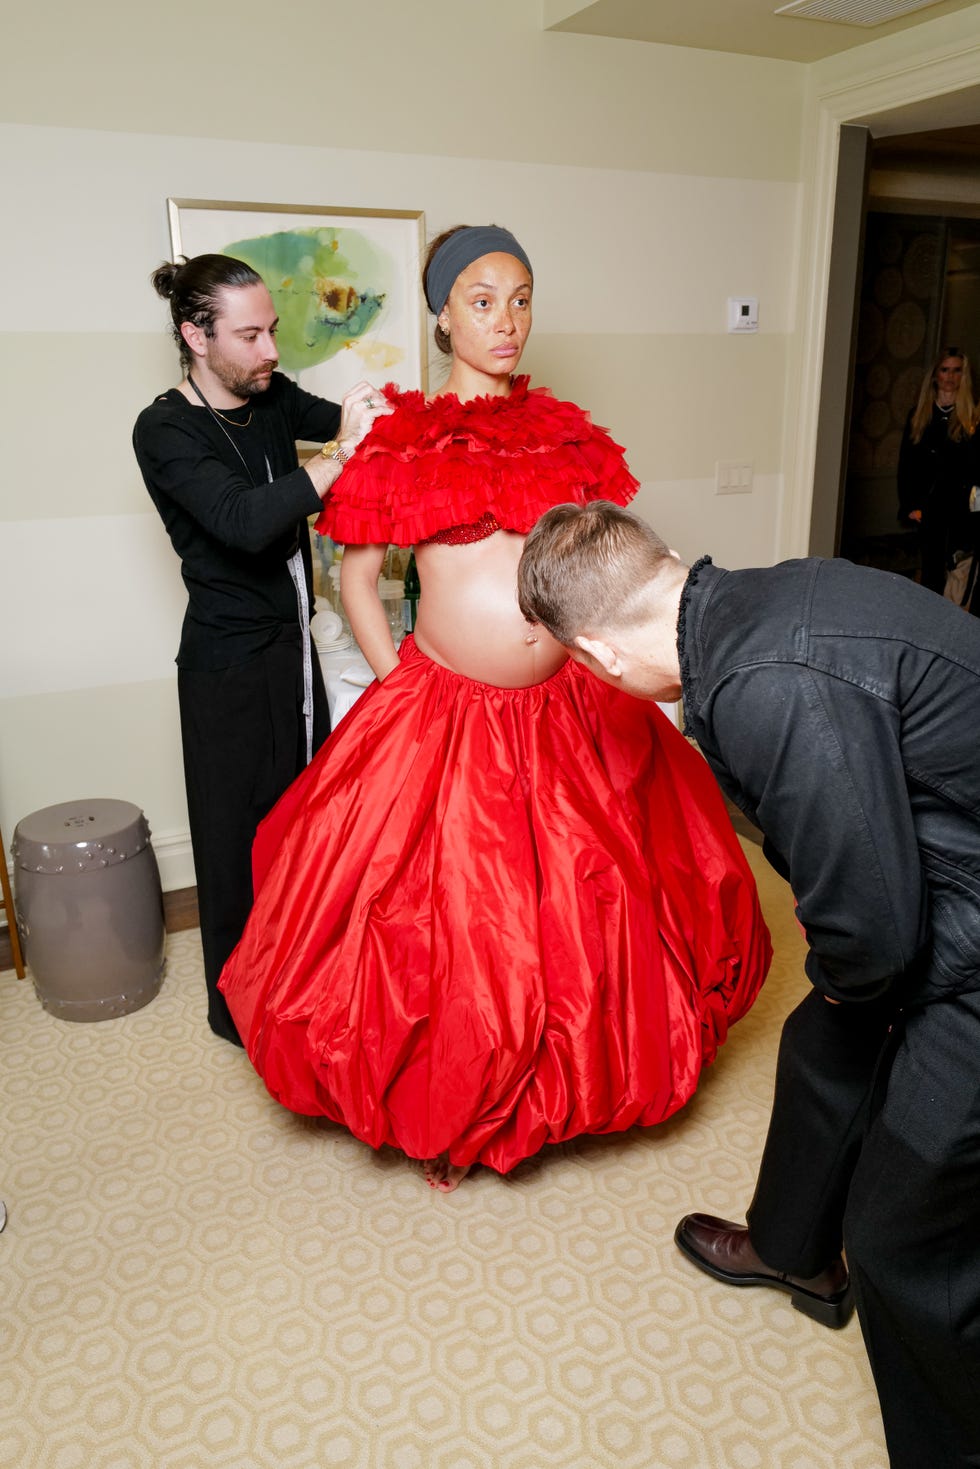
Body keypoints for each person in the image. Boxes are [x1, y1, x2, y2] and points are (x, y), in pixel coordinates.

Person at [218, 225, 771, 1190]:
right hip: (444, 704)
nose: (507, 321)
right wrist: (397, 681)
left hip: (566, 703)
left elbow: (601, 565)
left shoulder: (569, 437)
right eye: (482, 300)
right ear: (442, 313)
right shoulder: (399, 438)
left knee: (590, 907)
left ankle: (566, 1084)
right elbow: (355, 582)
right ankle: (459, 1090)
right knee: (448, 922)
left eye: (520, 298)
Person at [516, 499, 980, 1469]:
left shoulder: (770, 681)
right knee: (823, 1038)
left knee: (899, 1244)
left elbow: (879, 934)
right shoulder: (747, 603)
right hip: (949, 845)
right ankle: (793, 1249)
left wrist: (853, 977)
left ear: (595, 654)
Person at [133, 253, 387, 1044]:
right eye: (251, 335)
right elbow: (244, 520)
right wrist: (344, 453)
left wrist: (395, 415)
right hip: (226, 666)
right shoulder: (165, 429)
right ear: (196, 335)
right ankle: (236, 1013)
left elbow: (352, 425)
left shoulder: (269, 397)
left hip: (291, 651)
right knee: (234, 839)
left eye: (272, 330)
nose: (273, 350)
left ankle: (295, 984)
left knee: (300, 824)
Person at [897, 345, 975, 594]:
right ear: (935, 374)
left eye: (957, 371)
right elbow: (907, 464)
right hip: (928, 506)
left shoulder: (972, 416)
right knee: (931, 569)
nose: (950, 377)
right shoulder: (920, 415)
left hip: (962, 507)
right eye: (945, 370)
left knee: (959, 568)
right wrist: (910, 504)